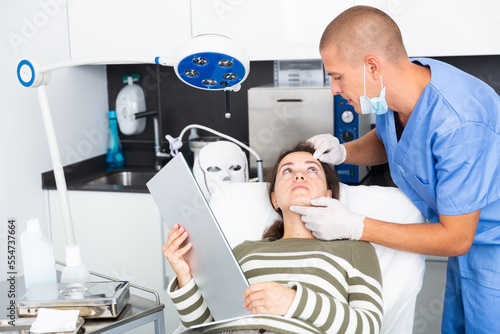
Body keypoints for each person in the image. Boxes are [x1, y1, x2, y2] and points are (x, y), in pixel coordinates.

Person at [289, 5, 500, 333]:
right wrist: (344, 152)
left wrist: (356, 226)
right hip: (469, 249)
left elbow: (457, 238)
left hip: (492, 251)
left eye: (337, 76)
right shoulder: (394, 91)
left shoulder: (459, 123)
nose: (334, 89)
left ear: (371, 66)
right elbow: (391, 139)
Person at [163, 142, 383, 334]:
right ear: (275, 199)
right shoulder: (244, 251)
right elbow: (202, 324)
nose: (299, 175)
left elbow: (367, 327)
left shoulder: (355, 249)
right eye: (287, 171)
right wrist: (184, 275)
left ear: (329, 195)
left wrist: (294, 302)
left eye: (312, 170)